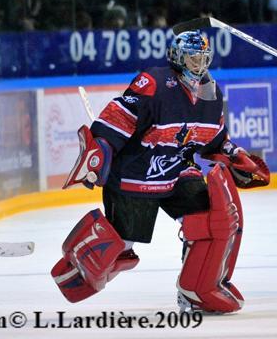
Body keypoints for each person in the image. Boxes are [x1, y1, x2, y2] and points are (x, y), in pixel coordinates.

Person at [52, 30, 270, 313]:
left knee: (213, 220)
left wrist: (235, 156)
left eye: (204, 59)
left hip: (177, 170)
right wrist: (102, 148)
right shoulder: (155, 82)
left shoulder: (211, 93)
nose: (199, 66)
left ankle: (195, 290)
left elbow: (215, 138)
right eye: (193, 59)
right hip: (136, 175)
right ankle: (73, 270)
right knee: (121, 246)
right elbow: (120, 115)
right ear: (178, 58)